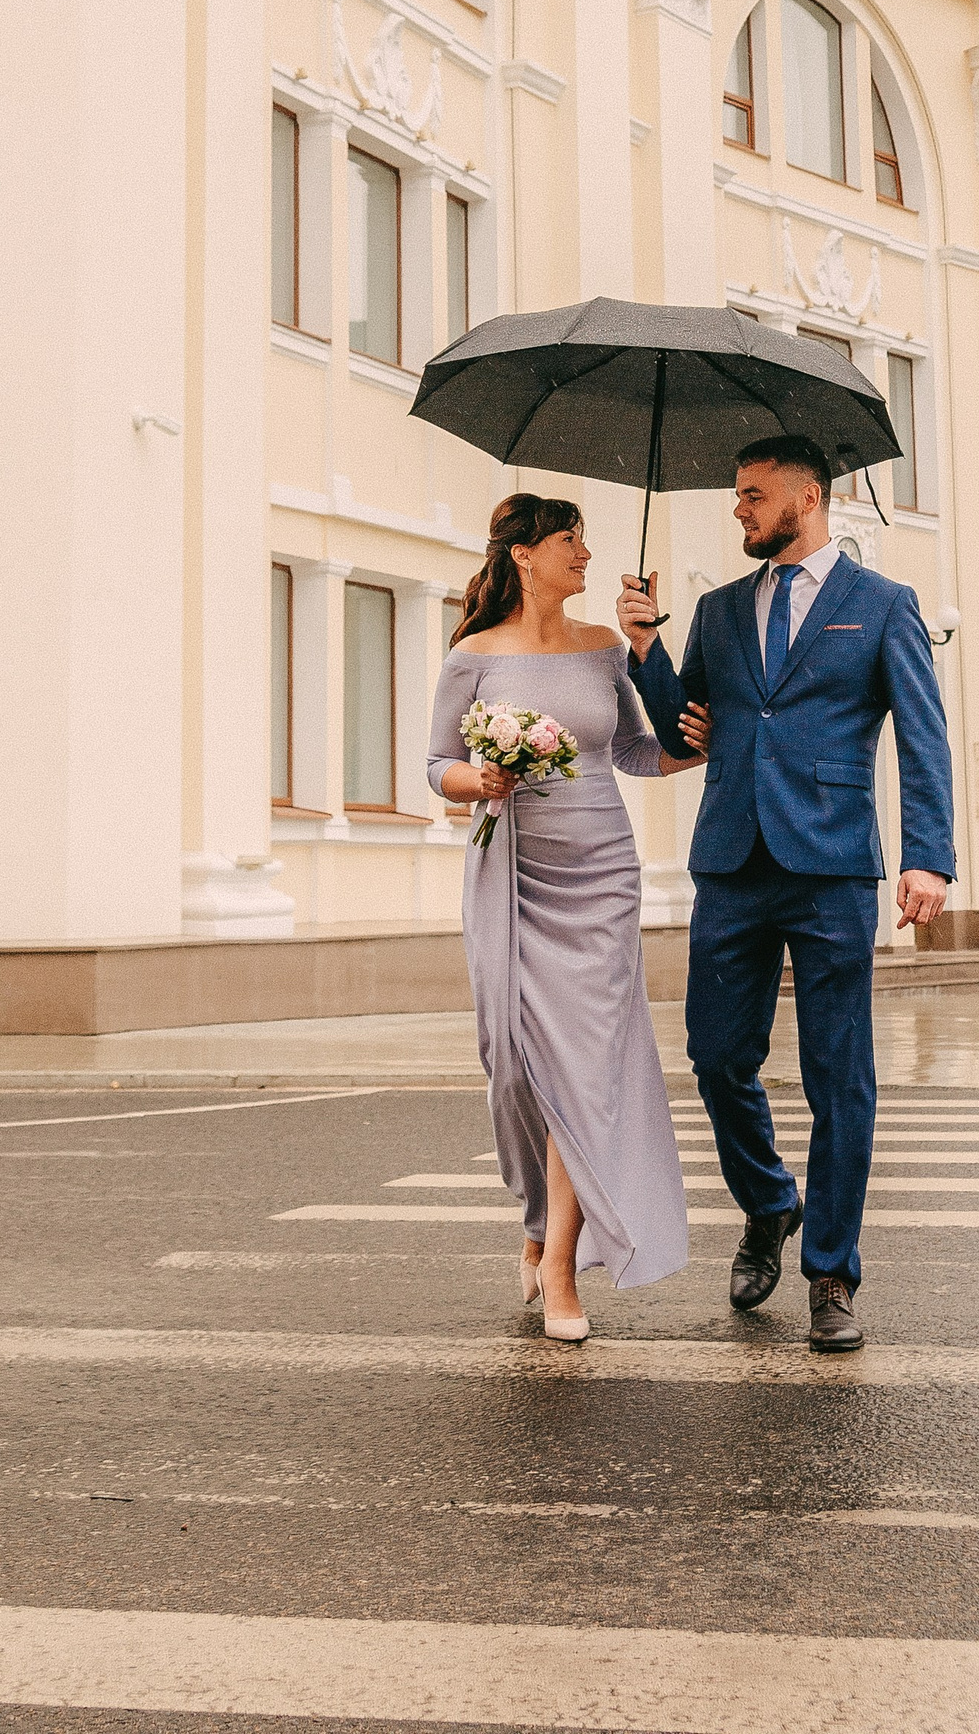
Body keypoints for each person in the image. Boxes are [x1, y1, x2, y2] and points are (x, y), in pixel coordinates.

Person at [619, 434, 955, 1354]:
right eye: (737, 494)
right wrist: (647, 646)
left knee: (838, 1075)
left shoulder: (883, 604)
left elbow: (923, 735)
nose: (739, 507)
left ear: (808, 497)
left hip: (833, 864)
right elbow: (682, 730)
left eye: (753, 493)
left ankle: (832, 1271)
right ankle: (770, 1201)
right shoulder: (721, 609)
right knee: (716, 1057)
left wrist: (928, 856)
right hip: (733, 860)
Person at [429, 490, 711, 1341]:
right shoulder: (473, 653)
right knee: (515, 1066)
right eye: (569, 540)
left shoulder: (604, 649)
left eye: (584, 540)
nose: (584, 554)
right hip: (513, 871)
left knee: (583, 1071)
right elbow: (437, 763)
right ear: (524, 554)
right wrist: (480, 779)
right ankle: (538, 1217)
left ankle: (561, 1265)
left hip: (602, 875)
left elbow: (632, 751)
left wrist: (691, 744)